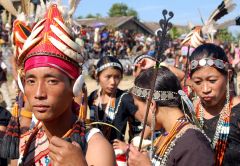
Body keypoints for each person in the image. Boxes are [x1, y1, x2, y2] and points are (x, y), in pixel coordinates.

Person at [12, 4, 115, 166]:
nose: (39, 93)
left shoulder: (95, 148)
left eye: (52, 81)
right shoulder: (25, 143)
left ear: (75, 85)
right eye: (31, 81)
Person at [127, 66, 214, 166]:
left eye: (137, 107)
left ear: (151, 104)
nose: (136, 114)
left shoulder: (193, 145)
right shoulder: (166, 134)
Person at [189, 43, 240, 166]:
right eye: (198, 81)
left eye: (212, 81)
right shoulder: (189, 111)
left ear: (228, 76)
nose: (205, 89)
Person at [88, 56, 139, 142]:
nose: (113, 82)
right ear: (97, 76)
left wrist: (128, 147)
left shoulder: (125, 98)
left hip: (116, 153)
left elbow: (142, 125)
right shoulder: (93, 96)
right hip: (94, 149)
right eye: (108, 77)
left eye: (117, 77)